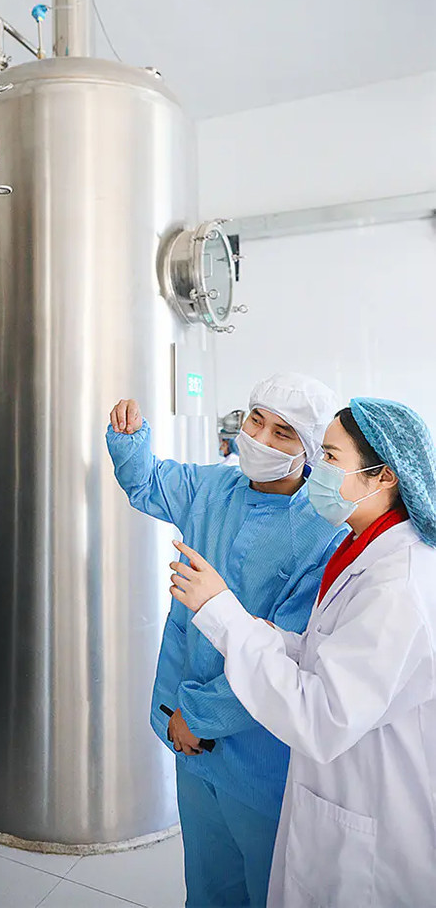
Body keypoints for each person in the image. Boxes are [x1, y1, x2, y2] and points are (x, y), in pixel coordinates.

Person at [170, 398, 436, 908]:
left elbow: (322, 715)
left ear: (383, 476)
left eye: (331, 457)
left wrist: (223, 613)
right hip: (338, 786)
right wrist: (261, 632)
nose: (319, 468)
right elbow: (326, 651)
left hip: (371, 813)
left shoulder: (397, 585)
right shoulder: (366, 548)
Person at [107, 374, 345, 908]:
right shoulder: (216, 488)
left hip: (257, 753)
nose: (260, 439)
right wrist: (129, 438)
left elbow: (286, 656)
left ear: (309, 451)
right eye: (256, 421)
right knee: (208, 884)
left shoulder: (323, 533)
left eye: (283, 433)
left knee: (266, 886)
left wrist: (199, 717)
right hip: (186, 735)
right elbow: (147, 483)